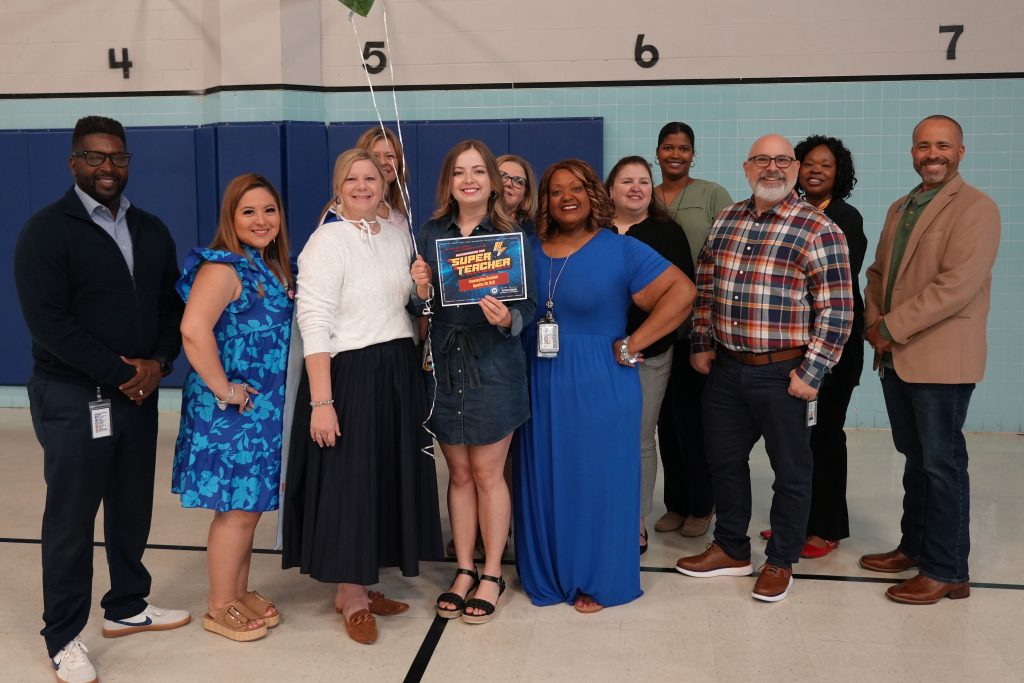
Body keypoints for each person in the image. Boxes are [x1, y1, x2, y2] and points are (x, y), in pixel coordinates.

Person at [14, 115, 189, 683]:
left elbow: (171, 307)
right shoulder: (45, 232)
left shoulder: (150, 228)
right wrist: (121, 373)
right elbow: (50, 324)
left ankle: (127, 606)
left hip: (138, 394)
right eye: (95, 157)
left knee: (131, 506)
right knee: (71, 518)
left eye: (118, 157)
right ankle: (63, 636)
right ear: (74, 163)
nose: (108, 167)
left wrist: (159, 364)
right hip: (74, 396)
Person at [675, 134, 853, 603]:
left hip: (783, 372)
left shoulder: (819, 228)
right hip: (727, 368)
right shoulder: (727, 219)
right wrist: (701, 341)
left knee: (791, 472)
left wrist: (812, 372)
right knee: (723, 462)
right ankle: (731, 548)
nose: (771, 168)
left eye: (781, 160)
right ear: (747, 167)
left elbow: (837, 309)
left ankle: (781, 560)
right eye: (761, 160)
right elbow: (706, 284)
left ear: (794, 168)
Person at [516, 159, 694, 613]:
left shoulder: (620, 249)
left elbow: (682, 292)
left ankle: (599, 577)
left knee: (598, 480)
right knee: (548, 477)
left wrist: (635, 343)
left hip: (601, 382)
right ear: (545, 200)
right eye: (556, 190)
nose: (567, 197)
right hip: (541, 381)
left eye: (577, 188)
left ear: (593, 194)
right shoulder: (526, 250)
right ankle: (551, 573)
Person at [282, 149, 442, 644]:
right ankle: (350, 596)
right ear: (338, 187)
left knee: (382, 480)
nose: (362, 186)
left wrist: (423, 290)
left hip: (397, 368)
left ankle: (365, 583)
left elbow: (410, 308)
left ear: (384, 183)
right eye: (351, 178)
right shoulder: (326, 241)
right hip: (349, 373)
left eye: (370, 177)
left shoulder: (397, 236)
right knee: (351, 483)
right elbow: (314, 321)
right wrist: (322, 402)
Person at [860, 115, 1000, 604]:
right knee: (915, 457)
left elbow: (956, 286)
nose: (932, 154)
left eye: (943, 145)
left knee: (942, 464)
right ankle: (915, 546)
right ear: (913, 152)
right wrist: (873, 320)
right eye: (923, 146)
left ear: (961, 152)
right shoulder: (902, 207)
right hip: (896, 355)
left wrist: (889, 328)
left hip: (941, 357)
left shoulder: (977, 208)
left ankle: (947, 570)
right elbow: (878, 273)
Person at [410, 140, 536, 624]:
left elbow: (529, 305)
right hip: (445, 366)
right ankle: (463, 568)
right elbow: (420, 309)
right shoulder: (431, 233)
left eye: (479, 171)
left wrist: (508, 318)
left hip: (494, 366)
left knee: (487, 474)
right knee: (458, 474)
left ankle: (492, 573)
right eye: (460, 172)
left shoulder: (511, 237)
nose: (469, 179)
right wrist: (420, 288)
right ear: (449, 182)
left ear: (493, 182)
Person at [172, 173, 295, 641]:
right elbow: (193, 330)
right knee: (235, 510)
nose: (261, 220)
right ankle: (219, 604)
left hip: (262, 411)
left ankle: (238, 593)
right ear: (231, 217)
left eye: (269, 210)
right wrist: (224, 389)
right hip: (231, 412)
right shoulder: (223, 268)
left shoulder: (271, 266)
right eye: (249, 212)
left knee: (250, 506)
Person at [759, 136, 868, 559]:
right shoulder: (787, 212)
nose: (816, 170)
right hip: (794, 345)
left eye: (826, 165)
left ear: (839, 173)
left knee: (824, 437)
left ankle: (826, 527)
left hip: (833, 347)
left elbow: (832, 284)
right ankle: (796, 520)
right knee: (794, 441)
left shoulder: (844, 218)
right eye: (808, 164)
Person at [605, 156, 695, 555]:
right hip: (597, 353)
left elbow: (682, 297)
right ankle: (604, 510)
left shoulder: (667, 232)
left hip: (648, 353)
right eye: (627, 181)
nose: (636, 188)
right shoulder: (594, 231)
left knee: (639, 437)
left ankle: (635, 520)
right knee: (601, 437)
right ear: (610, 189)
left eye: (643, 181)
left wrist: (636, 343)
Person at [651, 122, 734, 538]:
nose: (675, 155)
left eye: (683, 148)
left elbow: (731, 255)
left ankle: (703, 504)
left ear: (693, 154)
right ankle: (676, 503)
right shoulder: (646, 197)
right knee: (665, 421)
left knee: (695, 421)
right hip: (657, 327)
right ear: (658, 152)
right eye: (668, 147)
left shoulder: (712, 195)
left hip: (700, 329)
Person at [356, 126, 411, 233]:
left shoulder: (399, 219)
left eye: (389, 156)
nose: (382, 162)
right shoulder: (342, 214)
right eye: (375, 156)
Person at [497, 153, 538, 233]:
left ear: (526, 193)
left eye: (518, 181)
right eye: (502, 176)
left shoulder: (535, 233)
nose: (508, 184)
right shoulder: (472, 223)